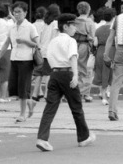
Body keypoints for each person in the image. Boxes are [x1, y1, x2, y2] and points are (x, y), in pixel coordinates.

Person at [35, 14, 96, 152]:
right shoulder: (71, 41)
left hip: (54, 74)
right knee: (76, 107)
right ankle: (83, 137)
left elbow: (48, 58)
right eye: (73, 25)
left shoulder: (53, 41)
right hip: (67, 73)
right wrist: (74, 75)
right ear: (65, 26)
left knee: (50, 108)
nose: (75, 28)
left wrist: (54, 72)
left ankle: (42, 138)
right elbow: (73, 57)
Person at [0, 1, 39, 122]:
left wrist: (25, 41)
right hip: (14, 58)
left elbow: (37, 44)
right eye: (15, 12)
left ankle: (22, 114)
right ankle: (30, 103)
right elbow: (6, 43)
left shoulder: (30, 27)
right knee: (14, 88)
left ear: (25, 13)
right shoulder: (12, 27)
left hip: (26, 60)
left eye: (19, 12)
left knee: (23, 88)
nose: (17, 14)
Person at [29, 4, 57, 112]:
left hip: (40, 49)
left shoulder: (45, 23)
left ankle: (35, 94)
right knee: (48, 73)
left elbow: (39, 37)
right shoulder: (54, 23)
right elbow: (54, 37)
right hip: (49, 50)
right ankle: (46, 93)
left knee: (39, 73)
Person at [73, 1, 95, 103]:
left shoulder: (74, 21)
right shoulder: (89, 22)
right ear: (88, 10)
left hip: (74, 45)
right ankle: (84, 93)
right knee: (85, 69)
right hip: (84, 45)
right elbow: (92, 36)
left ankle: (75, 91)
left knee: (74, 68)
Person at [93, 8, 115, 105]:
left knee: (101, 73)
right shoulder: (115, 29)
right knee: (111, 74)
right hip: (112, 51)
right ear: (113, 17)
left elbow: (95, 43)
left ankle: (103, 96)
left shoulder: (98, 29)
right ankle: (109, 93)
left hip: (100, 51)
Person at [31, 6, 47, 102]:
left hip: (32, 50)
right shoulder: (45, 26)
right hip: (42, 50)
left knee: (37, 72)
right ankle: (38, 93)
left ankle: (39, 92)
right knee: (40, 72)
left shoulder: (32, 25)